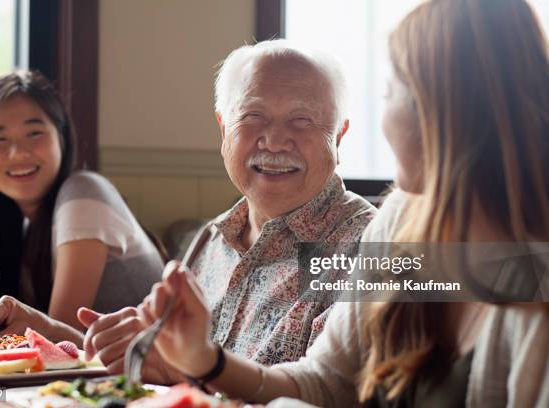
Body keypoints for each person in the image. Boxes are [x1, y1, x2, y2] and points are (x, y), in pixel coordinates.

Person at [130, 0, 549, 406]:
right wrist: (203, 359)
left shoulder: (532, 284)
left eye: (390, 93)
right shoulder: (403, 223)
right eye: (254, 116)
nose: (275, 140)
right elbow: (328, 382)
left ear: (444, 114)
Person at [0, 41, 376, 369]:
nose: (275, 140)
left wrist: (188, 372)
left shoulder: (373, 246)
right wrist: (46, 330)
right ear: (224, 129)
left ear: (339, 135)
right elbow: (143, 357)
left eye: (302, 120)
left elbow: (332, 393)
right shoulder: (210, 240)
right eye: (253, 116)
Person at [0, 71, 164, 331]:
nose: (18, 153)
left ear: (61, 137)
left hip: (144, 370)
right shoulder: (22, 229)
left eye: (34, 133)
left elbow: (58, 340)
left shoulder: (83, 193)